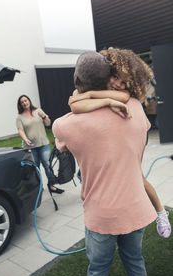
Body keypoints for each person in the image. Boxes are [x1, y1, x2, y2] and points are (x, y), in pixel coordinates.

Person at [52, 50, 157, 276]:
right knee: (135, 260)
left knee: (98, 270)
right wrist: (110, 99)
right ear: (110, 75)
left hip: (102, 213)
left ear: (78, 80)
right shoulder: (136, 108)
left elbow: (70, 111)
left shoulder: (64, 125)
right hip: (135, 205)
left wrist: (90, 96)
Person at [68, 47, 171, 239]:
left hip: (126, 140)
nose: (117, 84)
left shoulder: (123, 95)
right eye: (115, 77)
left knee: (137, 176)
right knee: (97, 173)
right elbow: (74, 104)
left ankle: (160, 212)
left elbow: (122, 97)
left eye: (124, 82)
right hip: (102, 143)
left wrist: (92, 97)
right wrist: (104, 101)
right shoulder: (95, 88)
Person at [16, 95, 64, 194]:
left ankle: (51, 185)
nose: (24, 103)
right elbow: (20, 130)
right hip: (30, 147)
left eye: (26, 100)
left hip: (43, 144)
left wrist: (44, 116)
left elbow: (48, 123)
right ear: (20, 105)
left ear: (29, 100)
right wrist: (25, 139)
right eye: (22, 102)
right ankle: (38, 187)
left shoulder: (38, 111)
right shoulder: (19, 117)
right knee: (35, 168)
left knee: (47, 165)